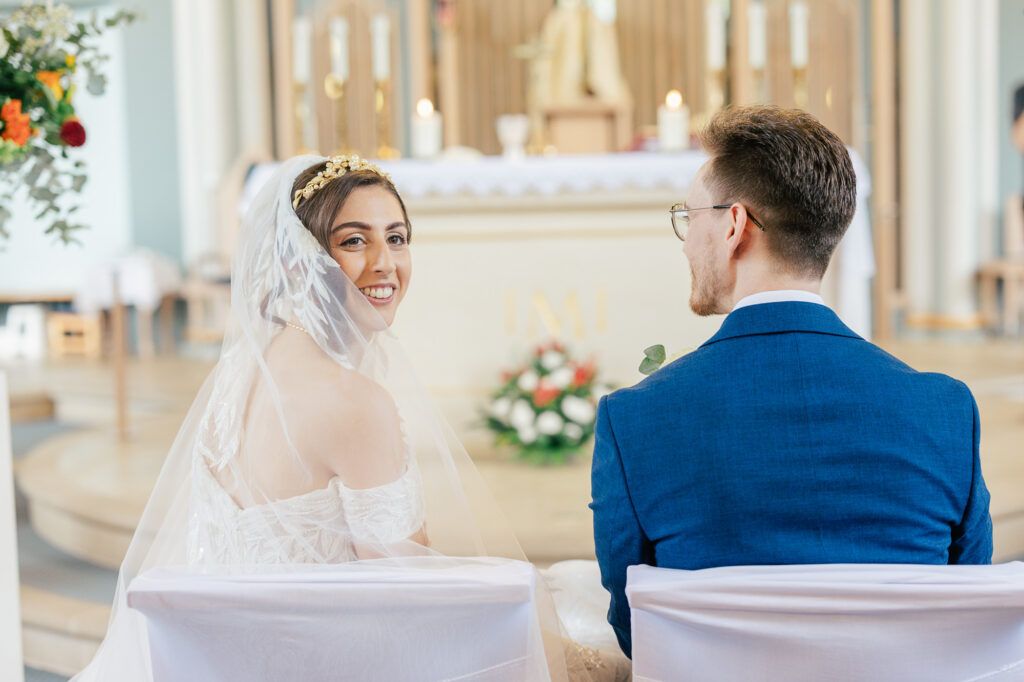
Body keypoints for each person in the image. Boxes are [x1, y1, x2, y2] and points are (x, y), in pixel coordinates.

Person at [73, 154, 627, 681]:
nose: (384, 263)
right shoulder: (355, 402)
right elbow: (406, 602)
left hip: (235, 656)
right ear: (298, 259)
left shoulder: (241, 370)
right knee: (601, 647)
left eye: (397, 238)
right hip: (330, 661)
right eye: (354, 240)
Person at [590, 106, 993, 658]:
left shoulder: (635, 420)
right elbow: (968, 613)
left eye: (689, 216)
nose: (686, 241)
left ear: (733, 226)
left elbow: (638, 632)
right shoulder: (945, 409)